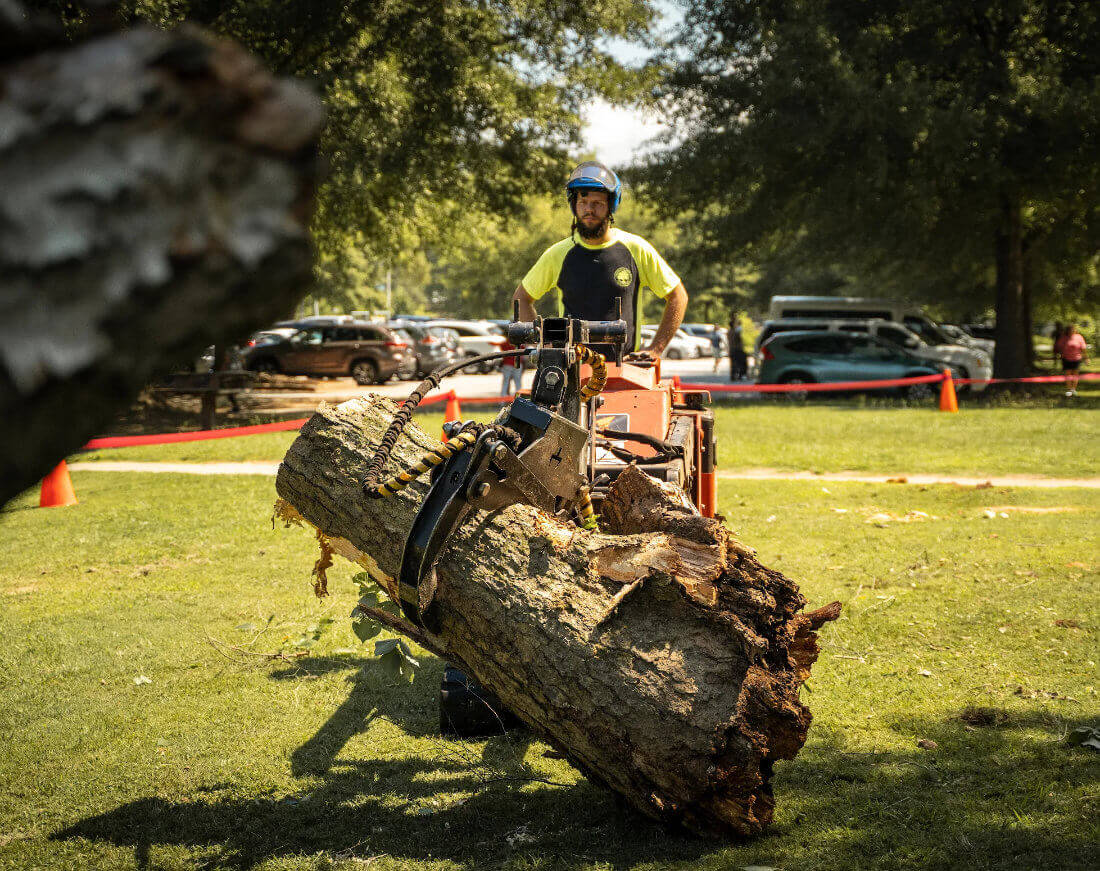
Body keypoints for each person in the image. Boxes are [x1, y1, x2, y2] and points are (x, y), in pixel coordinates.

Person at [512, 161, 687, 359]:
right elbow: (521, 298)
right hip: (571, 369)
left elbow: (678, 296)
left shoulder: (636, 249)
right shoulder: (558, 254)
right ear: (574, 206)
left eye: (597, 203)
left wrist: (656, 349)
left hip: (625, 369)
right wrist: (547, 344)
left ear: (610, 206)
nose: (589, 209)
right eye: (583, 203)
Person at [1057, 324, 1088, 396]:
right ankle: (1069, 389)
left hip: (1077, 358)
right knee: (1068, 374)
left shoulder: (1079, 337)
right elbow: (1059, 347)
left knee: (1075, 374)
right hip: (1066, 358)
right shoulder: (1063, 338)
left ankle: (1073, 389)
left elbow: (1083, 348)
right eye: (1069, 330)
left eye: (1072, 330)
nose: (1071, 331)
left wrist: (1086, 358)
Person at [728, 313, 747, 381]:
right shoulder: (735, 332)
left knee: (733, 363)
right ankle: (739, 376)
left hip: (732, 349)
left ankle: (733, 376)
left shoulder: (729, 331)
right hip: (737, 349)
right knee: (739, 363)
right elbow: (738, 340)